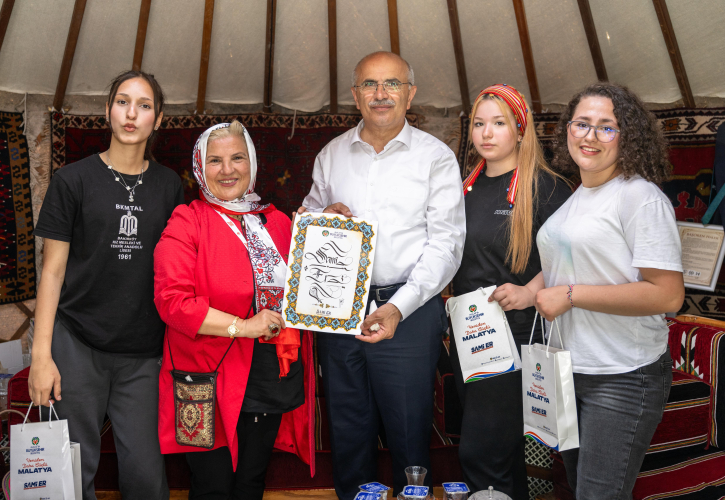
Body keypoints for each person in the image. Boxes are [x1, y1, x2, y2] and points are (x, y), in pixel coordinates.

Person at [298, 51, 465, 499]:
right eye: (369, 84)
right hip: (339, 310)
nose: (380, 94)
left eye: (392, 83)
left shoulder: (435, 158)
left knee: (409, 427)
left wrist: (397, 307)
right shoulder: (332, 155)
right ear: (355, 96)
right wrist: (321, 216)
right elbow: (307, 223)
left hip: (408, 309)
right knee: (348, 427)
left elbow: (447, 245)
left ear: (410, 94)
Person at [28, 70, 182, 500]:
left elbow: (175, 270)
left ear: (159, 119)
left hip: (144, 353)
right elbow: (52, 272)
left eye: (144, 105)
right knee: (72, 472)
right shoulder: (72, 180)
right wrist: (41, 355)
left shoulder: (169, 186)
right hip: (77, 344)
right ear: (107, 110)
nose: (132, 114)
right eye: (122, 102)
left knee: (147, 475)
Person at [534, 82, 684, 499]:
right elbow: (570, 264)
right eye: (581, 124)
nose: (591, 136)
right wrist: (528, 291)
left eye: (607, 127)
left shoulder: (639, 197)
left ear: (627, 136)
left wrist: (570, 295)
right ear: (567, 130)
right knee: (579, 489)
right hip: (571, 370)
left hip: (622, 374)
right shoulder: (578, 197)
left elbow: (667, 295)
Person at [154, 121, 314, 499]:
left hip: (268, 375)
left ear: (252, 163)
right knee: (213, 487)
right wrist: (243, 327)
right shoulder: (188, 221)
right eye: (215, 160)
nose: (227, 170)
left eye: (237, 158)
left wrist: (330, 229)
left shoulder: (278, 222)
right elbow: (172, 302)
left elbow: (310, 289)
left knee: (250, 483)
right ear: (200, 167)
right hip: (206, 379)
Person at [449, 84, 571, 498]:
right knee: (503, 454)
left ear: (520, 130)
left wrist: (529, 292)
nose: (486, 133)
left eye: (499, 123)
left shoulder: (547, 188)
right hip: (468, 334)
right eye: (479, 124)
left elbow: (573, 256)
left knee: (482, 454)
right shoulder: (462, 189)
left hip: (515, 334)